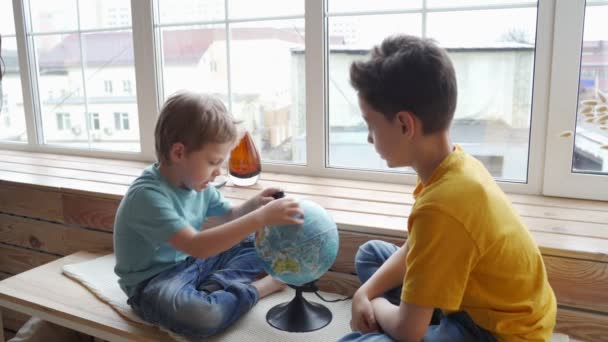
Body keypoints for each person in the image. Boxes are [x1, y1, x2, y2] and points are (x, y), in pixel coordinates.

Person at [341, 35, 556, 341]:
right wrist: (364, 291)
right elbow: (419, 246)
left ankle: (420, 316)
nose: (369, 137)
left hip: (497, 333)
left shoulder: (442, 205)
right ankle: (424, 312)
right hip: (477, 303)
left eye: (370, 124)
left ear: (405, 125)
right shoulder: (452, 165)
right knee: (370, 256)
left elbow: (407, 331)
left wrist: (372, 302)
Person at [114, 91, 303, 338]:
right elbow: (197, 246)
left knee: (260, 241)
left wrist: (256, 204)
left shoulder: (197, 184)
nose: (218, 172)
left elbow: (230, 217)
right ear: (178, 153)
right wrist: (261, 217)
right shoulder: (148, 196)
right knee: (202, 315)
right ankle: (257, 289)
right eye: (214, 162)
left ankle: (216, 285)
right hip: (153, 282)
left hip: (194, 264)